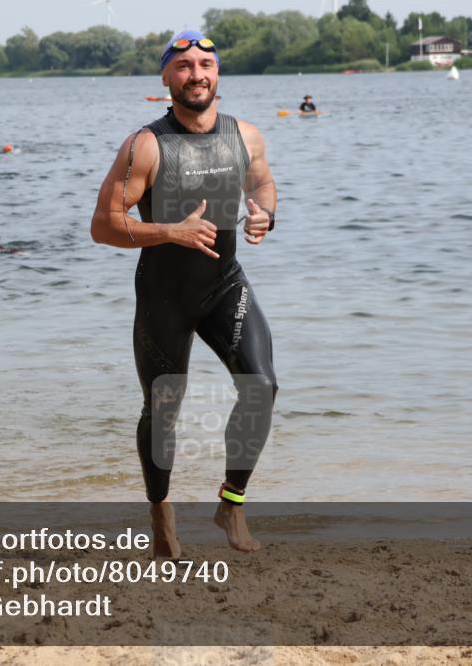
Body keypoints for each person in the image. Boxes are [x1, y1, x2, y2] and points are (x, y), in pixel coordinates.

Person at [91, 29, 278, 556]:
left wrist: (265, 214)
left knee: (260, 386)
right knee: (163, 409)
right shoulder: (145, 145)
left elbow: (262, 183)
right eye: (184, 66)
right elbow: (104, 226)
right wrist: (169, 231)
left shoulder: (245, 135)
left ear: (217, 74)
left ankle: (230, 505)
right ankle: (161, 514)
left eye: (205, 65)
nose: (196, 74)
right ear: (166, 77)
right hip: (163, 295)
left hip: (223, 283)